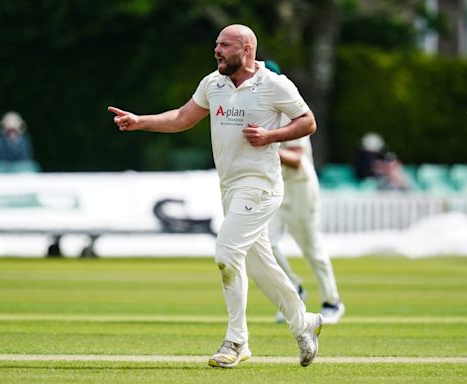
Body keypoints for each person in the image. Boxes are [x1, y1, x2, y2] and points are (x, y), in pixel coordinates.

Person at [109, 24, 324, 368]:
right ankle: (304, 323)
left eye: (225, 45)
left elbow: (308, 122)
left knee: (226, 252)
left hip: (262, 185)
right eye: (216, 44)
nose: (217, 50)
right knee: (259, 264)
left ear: (247, 49)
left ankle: (236, 341)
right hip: (230, 186)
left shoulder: (274, 84)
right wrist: (140, 121)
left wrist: (271, 136)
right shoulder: (213, 83)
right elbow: (182, 117)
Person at [264, 60, 345, 325]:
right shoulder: (261, 111)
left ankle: (332, 301)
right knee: (265, 243)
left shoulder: (291, 113)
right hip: (274, 186)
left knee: (311, 246)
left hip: (299, 187)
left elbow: (297, 157)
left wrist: (266, 144)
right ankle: (294, 289)